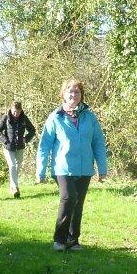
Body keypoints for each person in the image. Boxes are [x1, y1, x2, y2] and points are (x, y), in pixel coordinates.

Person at [37, 79, 107, 251]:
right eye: (70, 91)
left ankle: (73, 240)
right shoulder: (55, 117)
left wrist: (102, 168)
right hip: (63, 167)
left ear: (81, 95)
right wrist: (41, 171)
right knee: (68, 198)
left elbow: (98, 142)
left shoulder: (90, 117)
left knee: (78, 203)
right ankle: (59, 240)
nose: (73, 94)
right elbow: (44, 145)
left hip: (84, 168)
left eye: (77, 92)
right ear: (63, 94)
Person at [0, 101, 36, 197]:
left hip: (20, 146)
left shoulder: (24, 118)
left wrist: (26, 139)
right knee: (12, 165)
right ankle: (15, 187)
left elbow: (32, 130)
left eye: (18, 112)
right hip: (8, 147)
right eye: (14, 111)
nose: (16, 114)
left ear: (21, 110)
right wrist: (5, 141)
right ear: (11, 109)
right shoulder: (6, 118)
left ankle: (12, 185)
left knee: (18, 166)